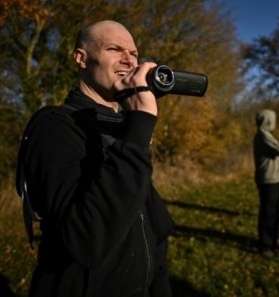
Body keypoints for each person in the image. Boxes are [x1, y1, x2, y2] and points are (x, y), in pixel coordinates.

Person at [16, 20, 174, 296]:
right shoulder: (54, 126)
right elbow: (88, 240)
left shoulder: (121, 130)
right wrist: (138, 128)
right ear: (81, 58)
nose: (130, 61)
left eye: (134, 54)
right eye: (115, 49)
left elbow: (152, 230)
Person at [253, 109, 279, 259]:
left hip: (273, 179)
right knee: (268, 214)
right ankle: (265, 247)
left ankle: (272, 244)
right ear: (268, 120)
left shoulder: (266, 135)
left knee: (274, 214)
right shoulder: (263, 136)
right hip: (268, 180)